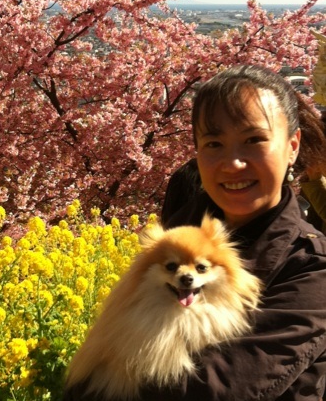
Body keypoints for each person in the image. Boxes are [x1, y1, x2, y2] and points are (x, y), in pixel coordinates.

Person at [63, 64, 326, 400]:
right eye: (214, 143)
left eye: (254, 140)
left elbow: (219, 388)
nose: (233, 163)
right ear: (197, 151)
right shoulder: (173, 236)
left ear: (292, 146)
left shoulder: (312, 268)